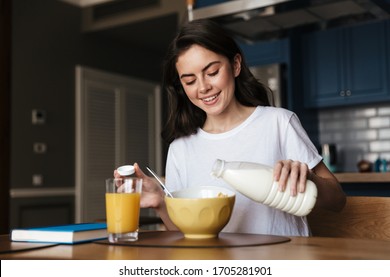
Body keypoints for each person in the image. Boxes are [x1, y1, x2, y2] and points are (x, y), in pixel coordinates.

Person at [114, 19, 346, 236]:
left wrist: (308, 179)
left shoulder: (279, 123)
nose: (203, 87)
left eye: (212, 72)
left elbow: (338, 200)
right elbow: (184, 235)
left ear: (235, 65)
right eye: (190, 80)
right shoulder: (181, 148)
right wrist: (160, 203)